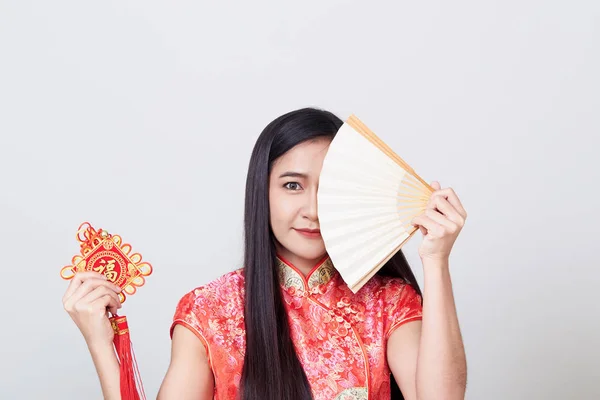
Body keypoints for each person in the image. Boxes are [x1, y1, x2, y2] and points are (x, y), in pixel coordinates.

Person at [62, 107, 468, 400]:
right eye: (293, 185)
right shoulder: (211, 311)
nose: (312, 209)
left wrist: (435, 261)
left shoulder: (387, 303)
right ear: (262, 190)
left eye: (328, 189)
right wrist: (101, 343)